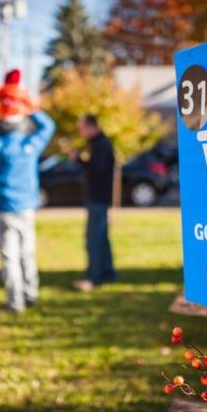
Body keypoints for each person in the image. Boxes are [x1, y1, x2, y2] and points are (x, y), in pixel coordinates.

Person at [0, 68, 55, 313]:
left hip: (2, 207)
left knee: (9, 257)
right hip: (26, 206)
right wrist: (27, 104)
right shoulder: (30, 144)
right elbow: (48, 126)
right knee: (28, 252)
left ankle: (15, 301)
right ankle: (31, 293)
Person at [70, 115, 117, 292]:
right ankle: (108, 272)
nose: (81, 133)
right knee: (101, 237)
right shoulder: (99, 144)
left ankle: (95, 276)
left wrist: (78, 160)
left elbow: (96, 170)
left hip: (98, 198)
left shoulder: (101, 145)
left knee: (94, 239)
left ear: (91, 127)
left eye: (82, 128)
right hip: (99, 198)